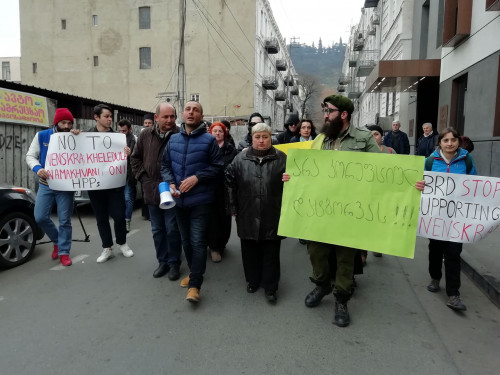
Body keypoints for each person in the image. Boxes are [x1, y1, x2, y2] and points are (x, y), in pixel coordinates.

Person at [286, 95, 381, 327]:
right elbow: (307, 168)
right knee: (316, 251)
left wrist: (412, 183)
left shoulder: (364, 138)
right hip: (321, 208)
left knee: (345, 256)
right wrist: (291, 176)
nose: (325, 115)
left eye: (329, 111)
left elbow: (384, 171)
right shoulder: (320, 139)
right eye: (325, 111)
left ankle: (341, 299)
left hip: (350, 209)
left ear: (344, 114)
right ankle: (321, 285)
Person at [160, 101, 224, 303]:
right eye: (188, 109)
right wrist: (170, 183)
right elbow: (164, 165)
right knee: (186, 241)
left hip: (200, 201)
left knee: (197, 242)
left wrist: (197, 177)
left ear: (201, 116)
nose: (191, 112)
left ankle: (195, 284)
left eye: (195, 110)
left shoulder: (209, 140)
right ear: (183, 114)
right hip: (179, 202)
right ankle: (194, 272)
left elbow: (218, 167)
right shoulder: (173, 140)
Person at [225, 123, 286, 303]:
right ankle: (252, 280)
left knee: (271, 251)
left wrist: (291, 179)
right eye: (257, 137)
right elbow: (229, 181)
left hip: (273, 211)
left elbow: (297, 183)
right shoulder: (240, 159)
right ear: (252, 138)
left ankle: (271, 286)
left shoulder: (282, 158)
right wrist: (232, 207)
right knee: (249, 249)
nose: (261, 141)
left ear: (270, 138)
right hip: (247, 211)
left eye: (265, 137)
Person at [424, 127, 477, 311]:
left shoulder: (467, 160)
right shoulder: (430, 161)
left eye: (453, 140)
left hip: (457, 217)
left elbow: (475, 184)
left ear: (458, 142)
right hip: (436, 216)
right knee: (436, 249)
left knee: (454, 253)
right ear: (440, 143)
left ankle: (454, 294)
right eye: (445, 140)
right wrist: (419, 185)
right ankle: (435, 277)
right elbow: (420, 182)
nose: (449, 144)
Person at [131, 103, 182, 280]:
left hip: (173, 191)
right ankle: (163, 261)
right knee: (157, 230)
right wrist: (143, 177)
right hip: (152, 190)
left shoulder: (180, 135)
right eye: (165, 117)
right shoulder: (145, 135)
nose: (169, 120)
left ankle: (174, 263)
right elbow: (135, 158)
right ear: (156, 118)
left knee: (172, 229)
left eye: (172, 117)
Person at [26, 108, 78, 267]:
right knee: (40, 216)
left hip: (66, 185)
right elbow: (30, 155)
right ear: (56, 123)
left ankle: (64, 251)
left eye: (69, 123)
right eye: (63, 122)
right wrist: (37, 168)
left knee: (64, 220)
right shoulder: (42, 136)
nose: (67, 126)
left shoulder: (75, 136)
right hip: (46, 184)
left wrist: (81, 137)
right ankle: (56, 240)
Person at [88, 104, 134, 263]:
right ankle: (107, 247)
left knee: (119, 215)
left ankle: (122, 243)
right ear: (96, 117)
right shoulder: (85, 137)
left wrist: (127, 153)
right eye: (106, 116)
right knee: (101, 218)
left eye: (110, 117)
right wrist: (74, 134)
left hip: (114, 185)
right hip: (95, 186)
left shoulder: (117, 138)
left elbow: (123, 161)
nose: (109, 119)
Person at [207, 122, 237, 263]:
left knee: (225, 219)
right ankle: (213, 247)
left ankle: (222, 244)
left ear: (224, 133)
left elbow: (234, 168)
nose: (217, 133)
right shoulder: (207, 147)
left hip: (226, 190)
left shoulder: (230, 149)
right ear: (211, 133)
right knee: (212, 219)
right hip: (210, 189)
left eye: (220, 131)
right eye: (215, 131)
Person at [117, 119, 137, 232]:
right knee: (121, 199)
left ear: (130, 129)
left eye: (124, 131)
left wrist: (131, 154)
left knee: (128, 198)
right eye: (120, 131)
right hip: (118, 173)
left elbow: (137, 157)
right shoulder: (116, 138)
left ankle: (127, 221)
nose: (121, 133)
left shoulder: (133, 140)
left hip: (129, 175)